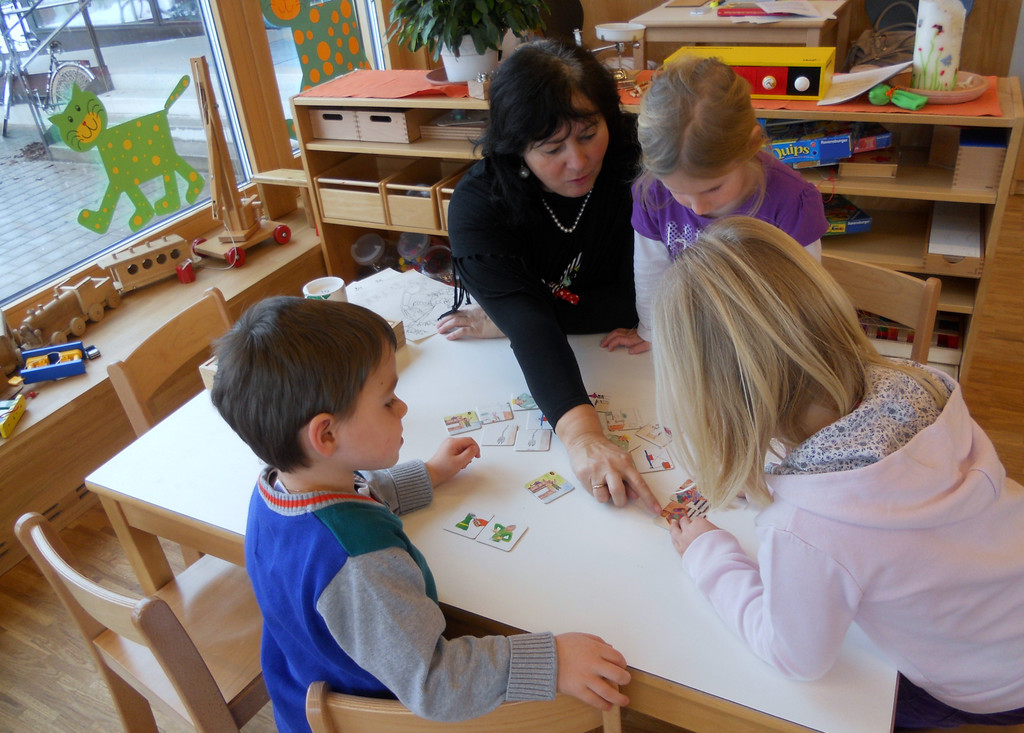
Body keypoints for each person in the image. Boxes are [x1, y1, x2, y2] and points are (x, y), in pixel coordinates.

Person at [652, 216, 1024, 730]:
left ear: (714, 404)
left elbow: (795, 657)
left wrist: (707, 553)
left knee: (854, 701)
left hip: (990, 688)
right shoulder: (922, 387)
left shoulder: (806, 530)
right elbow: (861, 456)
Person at [210, 297, 631, 733]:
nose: (404, 408)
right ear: (327, 434)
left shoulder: (277, 487)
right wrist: (552, 659)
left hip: (302, 690)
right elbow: (434, 682)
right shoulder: (361, 565)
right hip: (375, 720)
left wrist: (428, 474)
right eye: (388, 400)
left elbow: (356, 496)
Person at [437, 39, 658, 513]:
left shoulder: (638, 158)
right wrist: (583, 436)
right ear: (516, 146)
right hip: (566, 353)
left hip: (635, 350)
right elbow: (532, 326)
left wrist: (511, 317)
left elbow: (646, 294)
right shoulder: (480, 204)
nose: (577, 162)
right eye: (551, 147)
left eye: (588, 133)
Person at [602, 55, 829, 355]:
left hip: (770, 341)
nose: (696, 208)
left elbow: (805, 298)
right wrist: (651, 331)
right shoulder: (652, 192)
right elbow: (651, 271)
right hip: (694, 340)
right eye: (678, 191)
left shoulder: (792, 202)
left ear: (751, 145)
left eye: (713, 187)